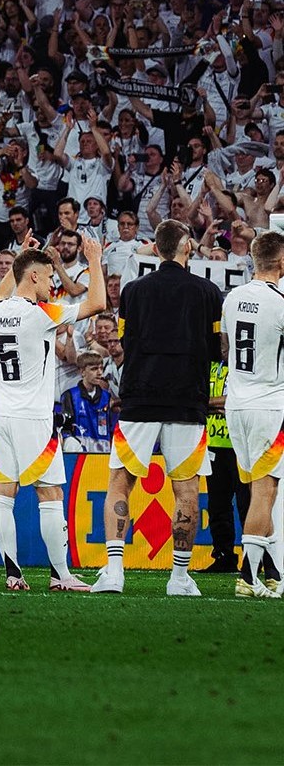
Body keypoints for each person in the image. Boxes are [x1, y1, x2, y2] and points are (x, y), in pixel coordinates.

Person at [92, 220, 222, 596]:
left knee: (120, 483)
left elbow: (123, 341)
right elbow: (217, 351)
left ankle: (114, 572)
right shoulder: (209, 292)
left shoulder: (133, 292)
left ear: (158, 248)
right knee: (186, 490)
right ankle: (180, 578)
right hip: (188, 400)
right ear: (184, 247)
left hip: (139, 399)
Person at [0, 238, 106, 591]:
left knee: (2, 493)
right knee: (50, 494)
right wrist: (94, 259)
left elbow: (0, 293)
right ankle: (60, 575)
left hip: (2, 415)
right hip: (34, 420)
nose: (54, 284)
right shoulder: (42, 314)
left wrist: (20, 257)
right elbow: (98, 302)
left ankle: (12, 571)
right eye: (50, 276)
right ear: (35, 277)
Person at [219, 231, 284, 599]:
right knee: (265, 491)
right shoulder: (280, 302)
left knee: (259, 490)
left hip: (236, 404)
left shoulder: (233, 298)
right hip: (268, 406)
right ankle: (248, 576)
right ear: (281, 263)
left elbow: (227, 345)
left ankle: (271, 571)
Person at [198, 359, 249, 575]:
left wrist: (207, 403)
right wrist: (218, 405)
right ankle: (223, 556)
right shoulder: (208, 366)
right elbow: (195, 397)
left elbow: (237, 399)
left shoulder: (242, 366)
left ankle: (252, 558)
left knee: (247, 504)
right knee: (218, 505)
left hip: (240, 445)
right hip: (214, 446)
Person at [60, 351, 114, 453]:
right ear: (82, 372)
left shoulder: (107, 397)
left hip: (104, 453)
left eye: (101, 368)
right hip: (79, 454)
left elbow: (111, 429)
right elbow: (65, 430)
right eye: (94, 369)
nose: (99, 373)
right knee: (70, 443)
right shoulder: (70, 396)